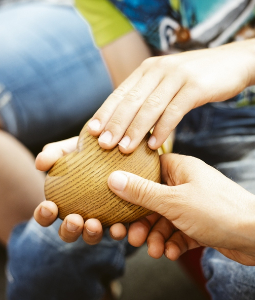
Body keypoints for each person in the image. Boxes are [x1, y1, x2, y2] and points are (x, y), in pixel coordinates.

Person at [33, 0, 255, 299]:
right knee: (45, 253)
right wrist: (141, 145)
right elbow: (133, 85)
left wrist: (245, 59)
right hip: (167, 126)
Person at [0, 1, 145, 299]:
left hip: (116, 18)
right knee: (52, 248)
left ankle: (57, 263)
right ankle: (52, 262)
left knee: (55, 247)